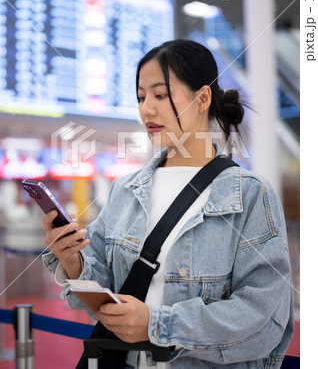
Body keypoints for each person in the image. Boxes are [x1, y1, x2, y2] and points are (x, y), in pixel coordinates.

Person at [42, 39, 294, 368]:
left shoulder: (248, 194)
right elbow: (103, 291)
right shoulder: (125, 190)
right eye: (141, 97)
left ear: (202, 98)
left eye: (160, 95)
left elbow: (263, 317)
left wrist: (157, 324)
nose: (146, 109)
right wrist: (73, 261)